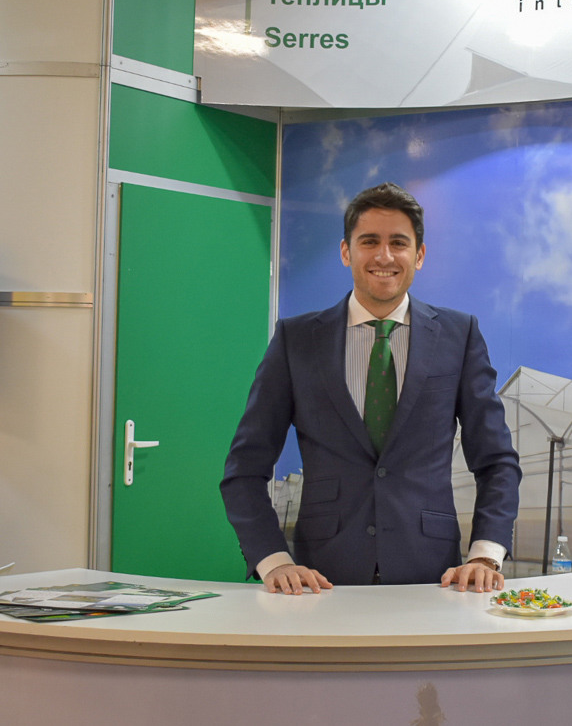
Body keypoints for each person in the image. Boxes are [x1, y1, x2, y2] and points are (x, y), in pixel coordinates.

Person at [222, 182, 521, 594]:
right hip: (321, 581)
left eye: (398, 243)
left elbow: (497, 461)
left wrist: (485, 555)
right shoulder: (296, 340)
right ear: (346, 252)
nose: (384, 256)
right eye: (369, 242)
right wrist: (273, 561)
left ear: (419, 255)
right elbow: (244, 469)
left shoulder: (459, 335)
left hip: (432, 578)